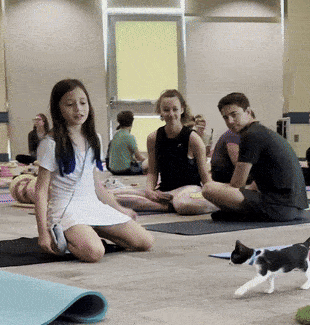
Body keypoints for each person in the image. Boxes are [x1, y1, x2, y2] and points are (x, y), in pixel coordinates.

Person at [34, 79, 153, 262]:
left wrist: (119, 209)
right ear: (58, 109)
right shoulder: (51, 143)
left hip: (92, 206)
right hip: (66, 210)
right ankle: (69, 235)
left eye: (83, 103)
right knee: (94, 252)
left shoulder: (94, 138)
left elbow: (96, 185)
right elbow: (41, 191)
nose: (78, 109)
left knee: (145, 242)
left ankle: (91, 230)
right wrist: (43, 233)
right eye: (70, 104)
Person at [202, 92, 308, 222]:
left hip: (281, 208)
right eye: (225, 117)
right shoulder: (261, 131)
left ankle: (237, 214)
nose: (230, 121)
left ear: (248, 111)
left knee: (208, 188)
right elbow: (255, 183)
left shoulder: (250, 135)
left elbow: (237, 183)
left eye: (234, 114)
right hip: (295, 208)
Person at [112, 90, 216, 215]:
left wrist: (216, 197)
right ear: (160, 112)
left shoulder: (193, 139)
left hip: (189, 190)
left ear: (182, 110)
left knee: (183, 203)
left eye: (175, 109)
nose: (171, 114)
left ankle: (166, 206)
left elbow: (205, 178)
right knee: (114, 195)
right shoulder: (153, 138)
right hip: (164, 191)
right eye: (166, 110)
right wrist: (150, 191)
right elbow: (152, 172)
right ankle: (165, 203)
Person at [107, 110, 146, 175]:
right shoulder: (129, 137)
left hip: (113, 170)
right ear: (132, 122)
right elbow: (139, 157)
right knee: (149, 163)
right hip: (126, 170)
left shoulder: (115, 136)